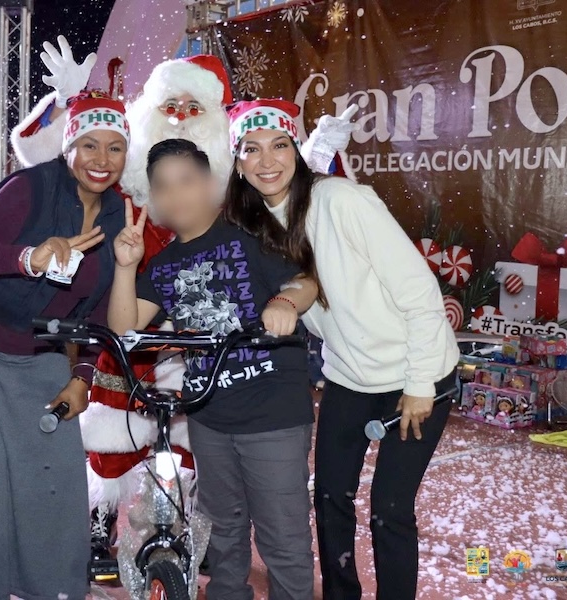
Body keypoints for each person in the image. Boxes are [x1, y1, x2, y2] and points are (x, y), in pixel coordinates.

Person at [11, 36, 357, 563]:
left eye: (193, 108)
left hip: (213, 340)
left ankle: (197, 531)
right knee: (112, 429)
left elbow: (292, 196)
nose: (177, 116)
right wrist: (68, 105)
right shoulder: (127, 181)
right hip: (133, 316)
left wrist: (320, 156)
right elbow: (51, 156)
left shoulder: (236, 196)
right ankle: (102, 521)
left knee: (198, 446)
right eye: (168, 105)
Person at [223, 98, 460, 600]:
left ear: (296, 150)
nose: (267, 161)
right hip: (349, 377)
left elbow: (419, 291)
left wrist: (421, 384)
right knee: (330, 498)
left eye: (279, 145)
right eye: (251, 149)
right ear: (237, 162)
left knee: (390, 510)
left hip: (415, 374)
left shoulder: (342, 201)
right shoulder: (253, 225)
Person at [0, 93, 129, 599]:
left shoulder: (119, 216)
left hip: (40, 349)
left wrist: (83, 377)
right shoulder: (30, 187)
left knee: (53, 472)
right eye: (89, 145)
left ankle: (51, 588)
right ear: (68, 147)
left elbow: (100, 309)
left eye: (115, 148)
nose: (101, 159)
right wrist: (28, 258)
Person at [109, 138, 319, 600]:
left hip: (273, 414)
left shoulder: (248, 235)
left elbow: (305, 279)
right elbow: (125, 329)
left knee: (282, 539)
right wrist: (126, 267)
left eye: (186, 180)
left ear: (210, 182)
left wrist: (285, 302)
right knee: (221, 535)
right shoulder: (163, 264)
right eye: (163, 186)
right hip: (208, 416)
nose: (176, 195)